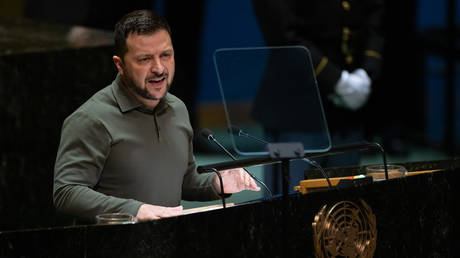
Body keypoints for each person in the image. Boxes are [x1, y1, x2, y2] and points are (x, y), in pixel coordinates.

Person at [53, 9, 260, 222]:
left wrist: (217, 183)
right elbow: (67, 192)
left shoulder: (177, 108)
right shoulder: (92, 119)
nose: (159, 68)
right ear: (120, 65)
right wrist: (136, 210)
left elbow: (185, 181)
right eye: (144, 59)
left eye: (165, 55)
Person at [251, 0, 384, 191]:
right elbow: (282, 32)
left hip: (352, 108)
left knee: (346, 205)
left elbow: (376, 16)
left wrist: (367, 71)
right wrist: (337, 81)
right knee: (289, 204)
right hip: (297, 109)